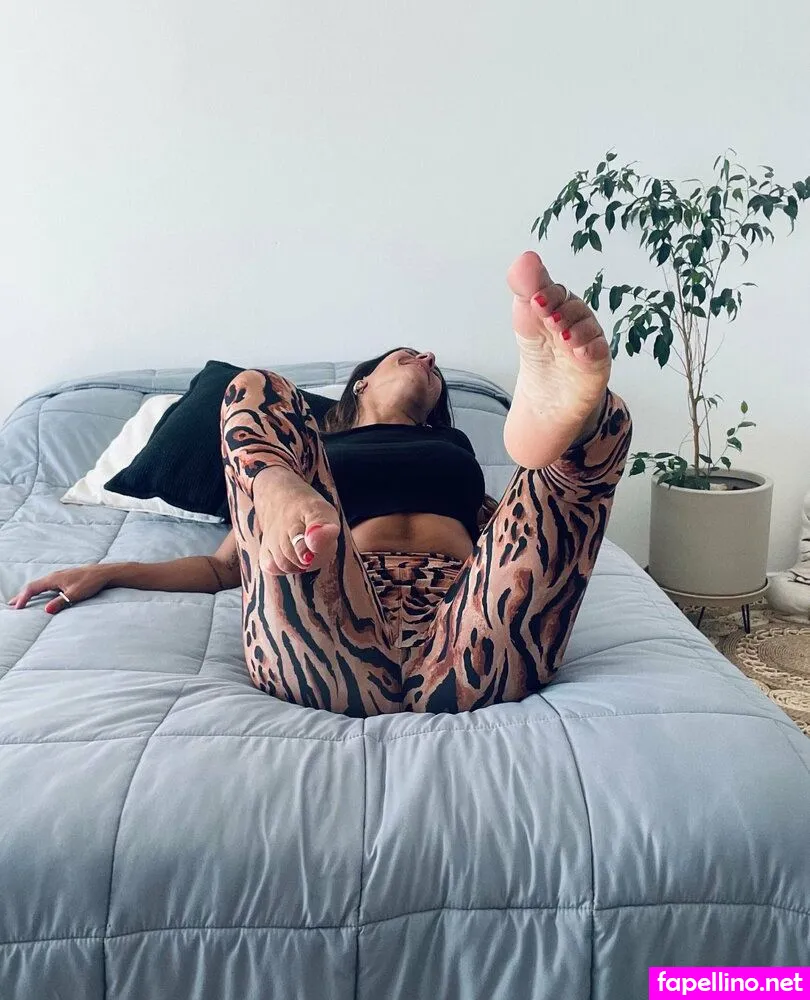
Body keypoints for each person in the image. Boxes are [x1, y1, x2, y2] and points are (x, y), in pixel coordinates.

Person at [9, 252, 632, 716]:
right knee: (256, 388)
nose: (429, 360)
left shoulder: (452, 447)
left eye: (434, 368)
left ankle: (569, 422)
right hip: (328, 630)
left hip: (470, 636)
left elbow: (517, 539)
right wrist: (110, 571)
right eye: (407, 355)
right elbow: (222, 569)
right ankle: (275, 490)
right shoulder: (319, 453)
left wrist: (540, 493)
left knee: (580, 456)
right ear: (362, 381)